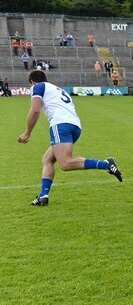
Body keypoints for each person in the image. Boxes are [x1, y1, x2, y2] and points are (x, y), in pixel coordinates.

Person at [18, 70, 123, 206]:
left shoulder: (37, 87)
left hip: (60, 124)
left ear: (32, 82)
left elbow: (35, 110)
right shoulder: (58, 89)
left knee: (66, 163)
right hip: (75, 126)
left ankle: (106, 164)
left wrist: (27, 132)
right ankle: (43, 195)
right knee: (47, 160)